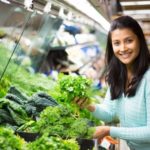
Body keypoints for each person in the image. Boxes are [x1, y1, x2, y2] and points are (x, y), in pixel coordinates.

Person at [74, 15, 150, 150]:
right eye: (117, 43)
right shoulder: (119, 75)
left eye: (129, 41)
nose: (123, 48)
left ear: (139, 40)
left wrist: (109, 130)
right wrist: (89, 105)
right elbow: (110, 112)